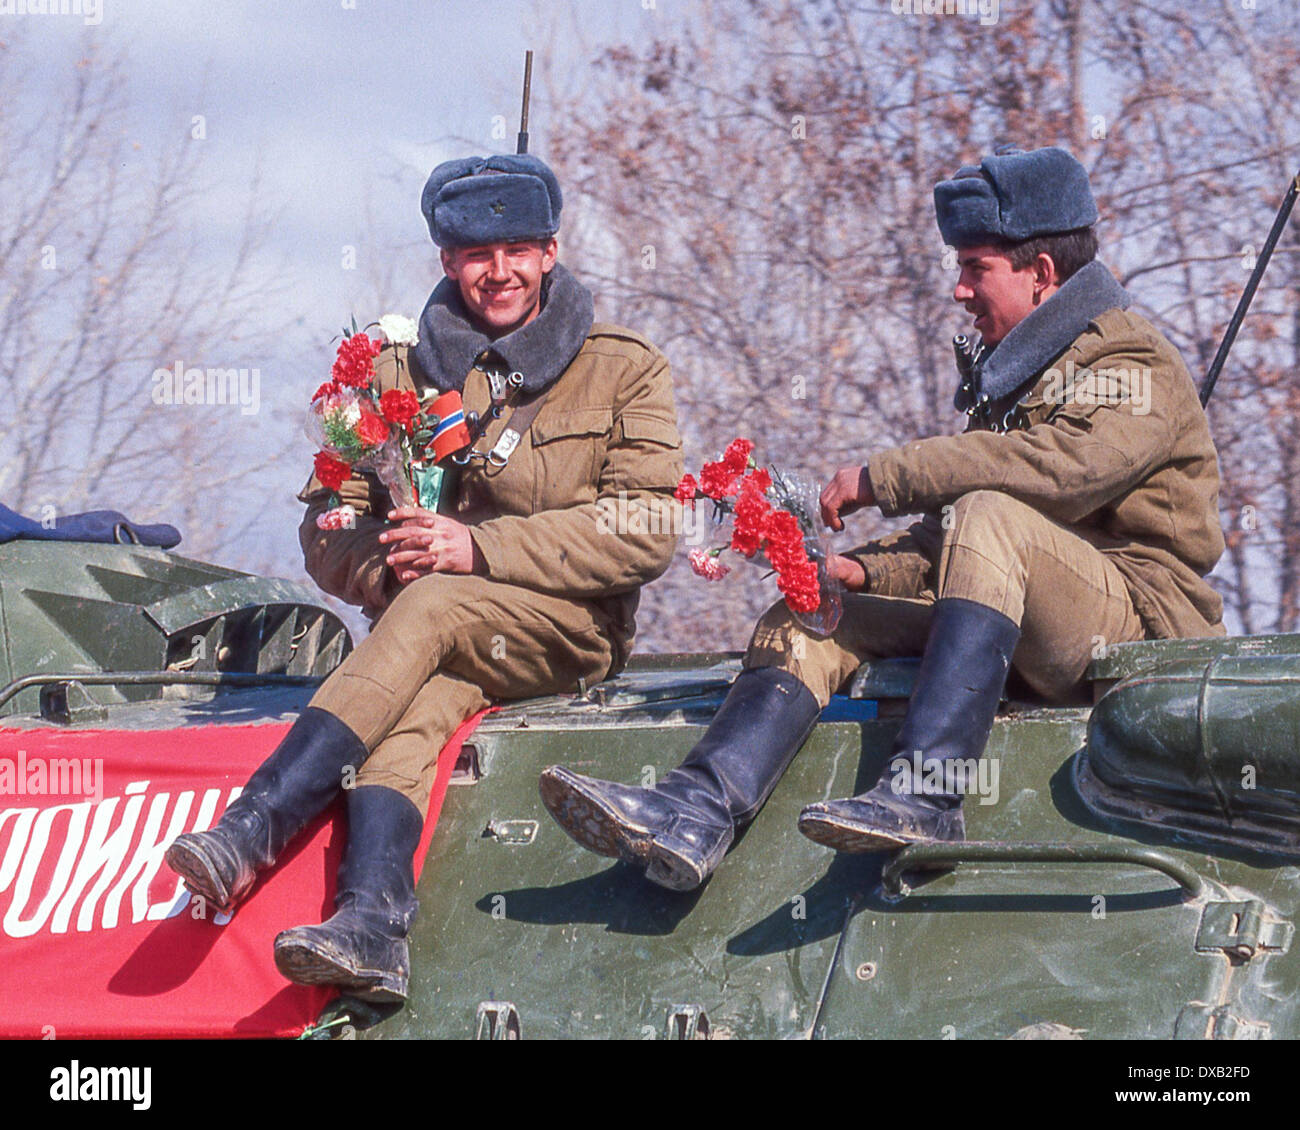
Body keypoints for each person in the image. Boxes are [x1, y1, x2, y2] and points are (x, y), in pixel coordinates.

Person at [540, 145, 1225, 889]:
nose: (960, 291)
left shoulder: (1133, 365)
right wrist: (858, 570)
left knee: (994, 512)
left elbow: (1055, 477)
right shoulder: (1021, 375)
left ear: (1042, 274)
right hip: (1019, 615)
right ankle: (694, 811)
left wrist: (882, 477)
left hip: (1137, 633)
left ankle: (930, 794)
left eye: (976, 268)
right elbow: (953, 538)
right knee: (814, 616)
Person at [165, 152, 684, 999]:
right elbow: (328, 521)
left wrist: (474, 552)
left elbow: (646, 530)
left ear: (551, 251)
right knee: (408, 720)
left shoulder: (622, 366)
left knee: (436, 612)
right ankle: (371, 926)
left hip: (567, 633)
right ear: (447, 261)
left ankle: (254, 827)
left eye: (519, 249)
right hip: (426, 635)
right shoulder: (393, 371)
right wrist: (387, 565)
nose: (500, 272)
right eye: (477, 255)